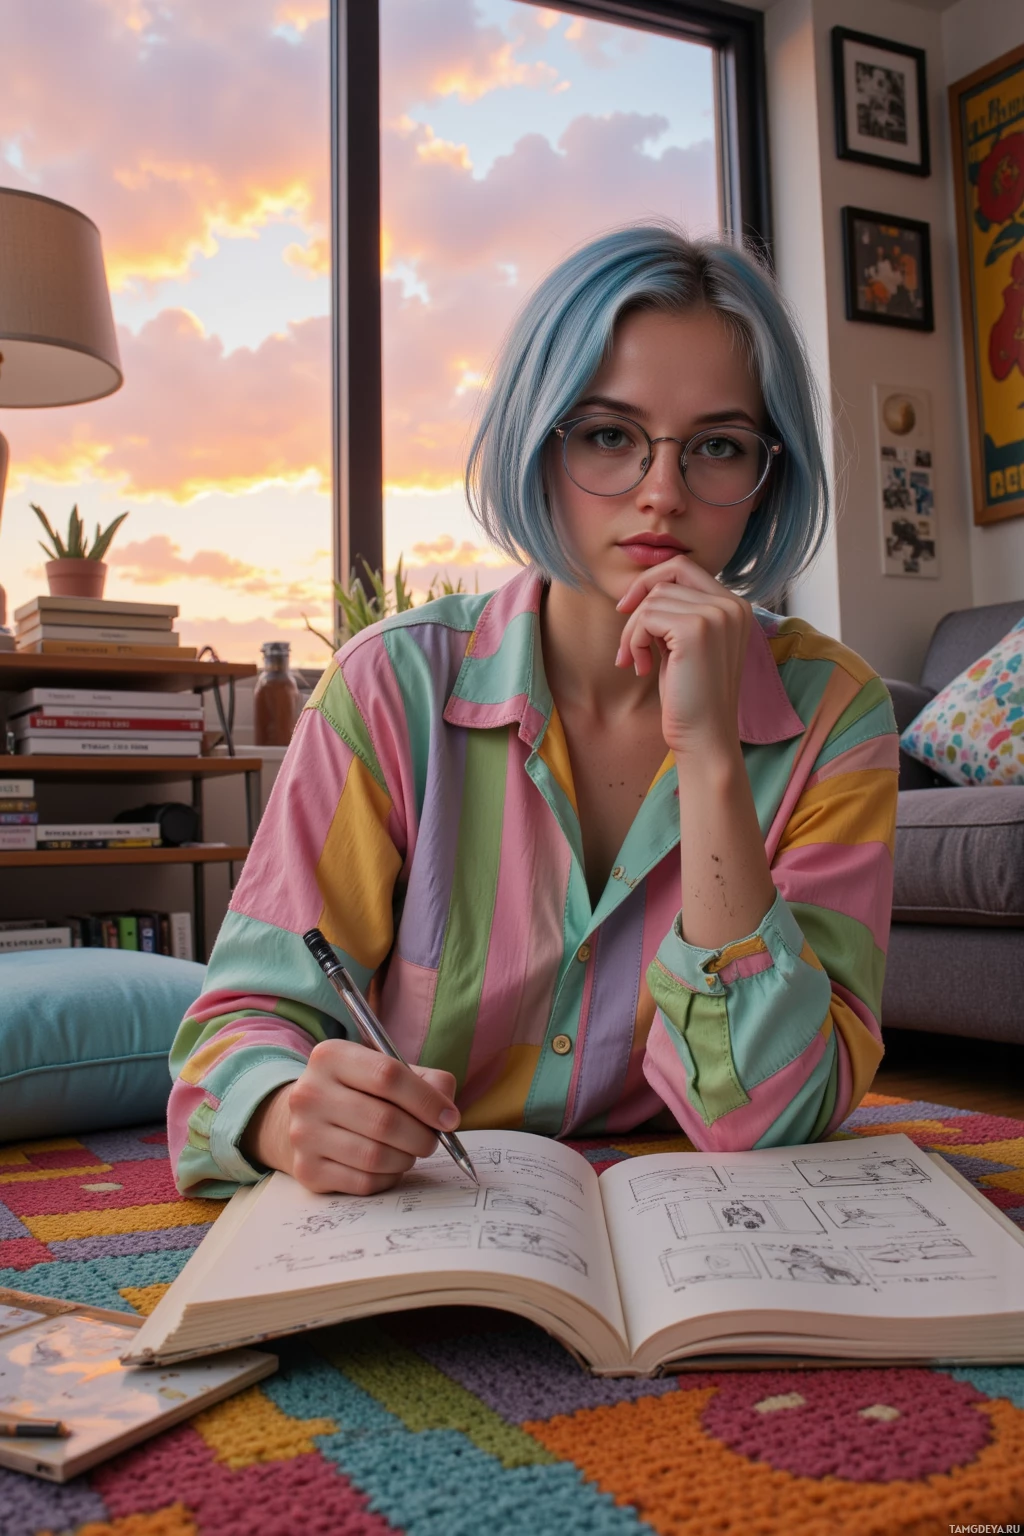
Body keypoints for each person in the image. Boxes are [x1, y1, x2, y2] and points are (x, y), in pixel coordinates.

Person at [168, 225, 898, 1199]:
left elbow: (775, 1113)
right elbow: (237, 1032)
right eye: (608, 435)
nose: (661, 495)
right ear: (537, 440)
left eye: (718, 447)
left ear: (769, 477)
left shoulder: (840, 716)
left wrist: (712, 756)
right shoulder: (392, 686)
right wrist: (284, 1116)